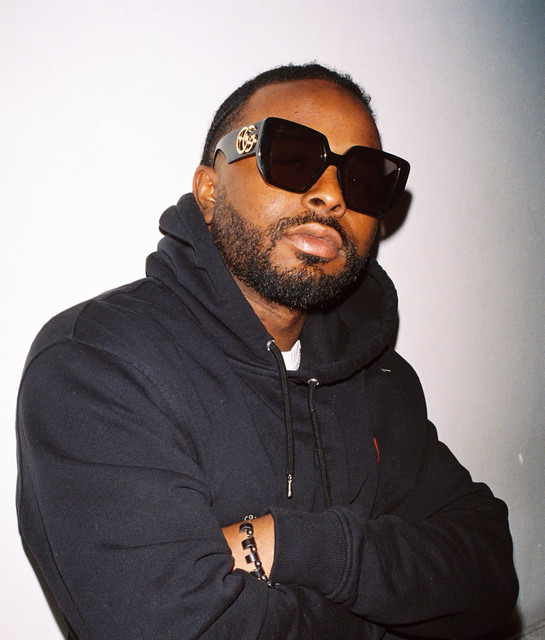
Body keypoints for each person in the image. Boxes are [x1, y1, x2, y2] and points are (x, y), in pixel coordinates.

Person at [16, 63, 518, 640]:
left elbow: (489, 575)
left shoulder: (378, 375)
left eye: (362, 179)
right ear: (210, 190)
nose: (331, 195)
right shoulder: (98, 365)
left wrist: (293, 543)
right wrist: (392, 610)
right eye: (294, 157)